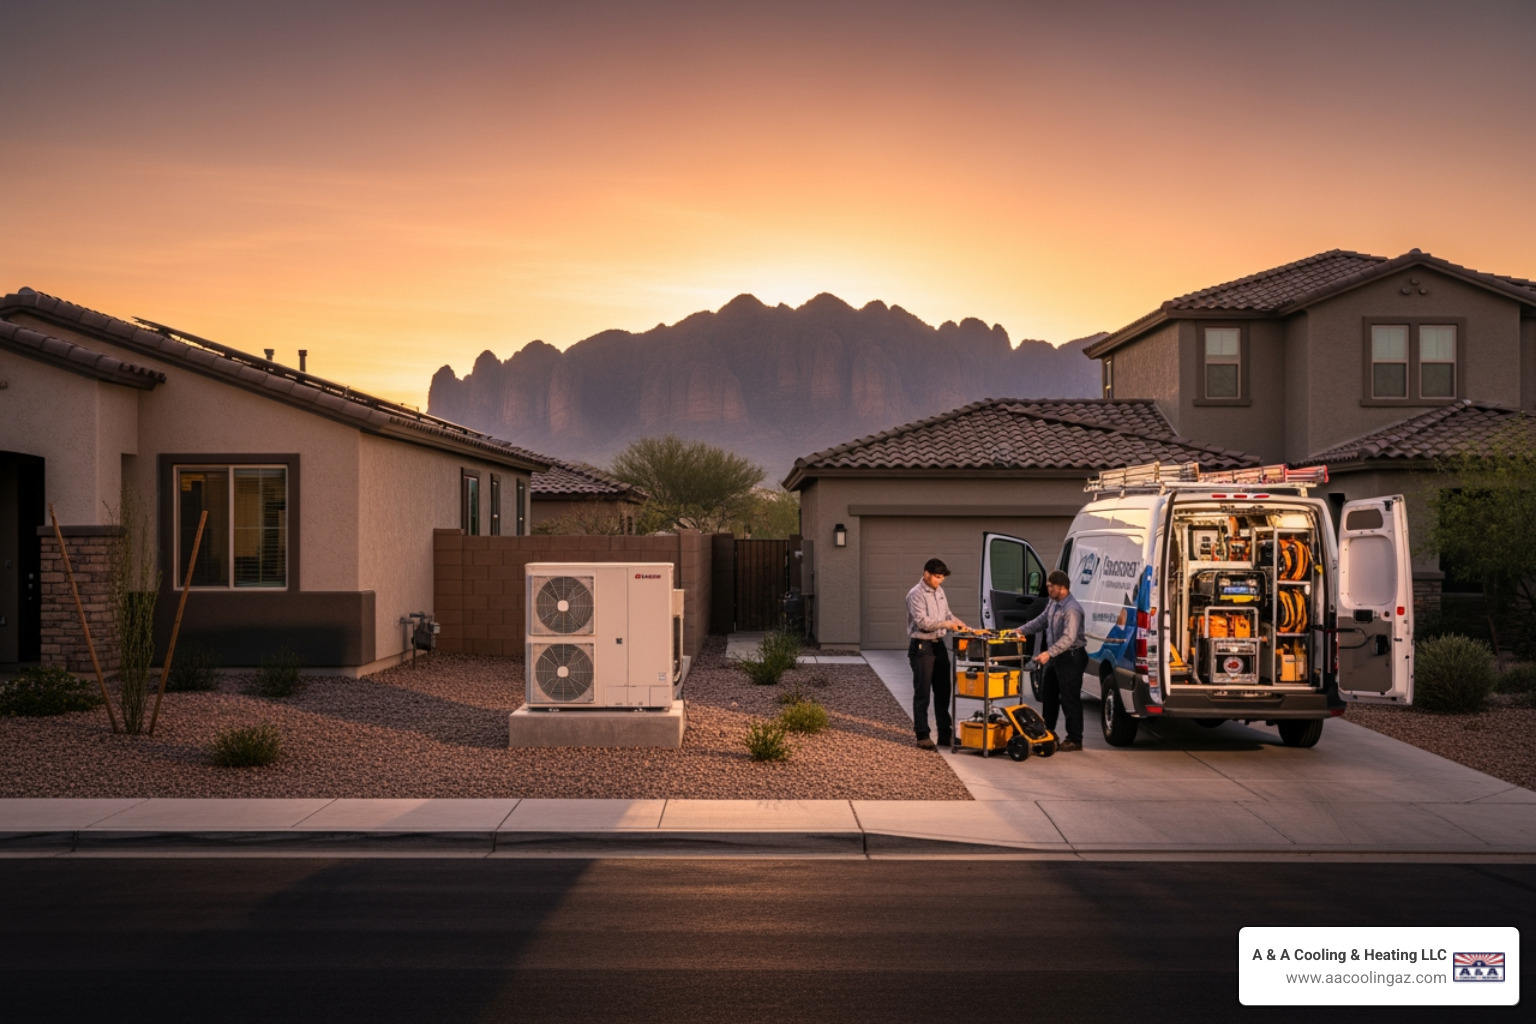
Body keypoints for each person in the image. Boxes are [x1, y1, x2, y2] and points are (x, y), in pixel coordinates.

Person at [1020, 569, 1087, 752]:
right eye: (1048, 586)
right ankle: (1047, 732)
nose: (1048, 589)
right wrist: (1020, 631)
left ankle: (1075, 739)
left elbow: (1068, 638)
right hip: (1055, 658)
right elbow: (1041, 621)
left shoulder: (1071, 609)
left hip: (1070, 657)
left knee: (1069, 699)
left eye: (1051, 586)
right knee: (1048, 697)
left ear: (1062, 588)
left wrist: (1049, 653)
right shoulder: (1053, 603)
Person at [906, 557, 966, 750]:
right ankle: (922, 735)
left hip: (939, 646)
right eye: (937, 577)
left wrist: (961, 625)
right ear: (926, 574)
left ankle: (945, 734)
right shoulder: (915, 595)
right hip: (922, 648)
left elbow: (947, 615)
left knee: (943, 691)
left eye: (942, 578)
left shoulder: (939, 591)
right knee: (923, 692)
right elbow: (923, 623)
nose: (940, 581)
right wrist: (947, 624)